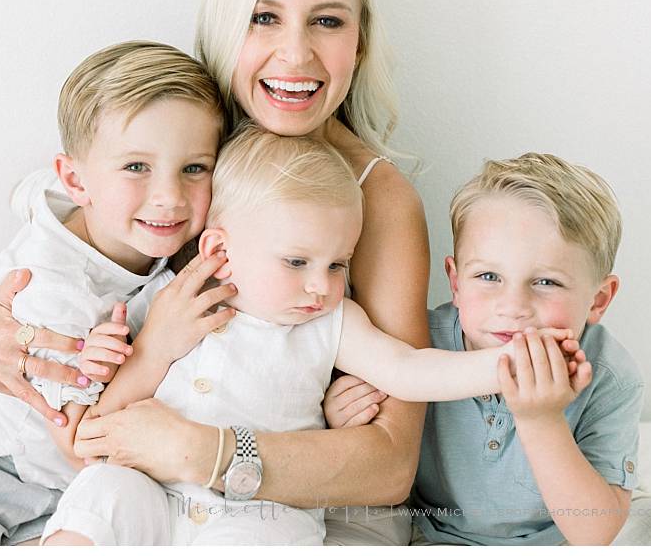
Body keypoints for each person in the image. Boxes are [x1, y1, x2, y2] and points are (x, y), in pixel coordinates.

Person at [0, 0, 432, 546]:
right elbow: (57, 228)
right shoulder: (185, 149)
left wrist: (200, 451)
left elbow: (389, 466)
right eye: (263, 17)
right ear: (227, 27)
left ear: (359, 43)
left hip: (287, 506)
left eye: (327, 21)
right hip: (148, 483)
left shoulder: (379, 199)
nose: (295, 54)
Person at [41, 126, 584, 546]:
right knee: (100, 495)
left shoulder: (332, 322)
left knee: (265, 538)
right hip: (154, 492)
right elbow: (99, 417)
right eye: (297, 261)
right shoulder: (173, 304)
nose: (319, 286)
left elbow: (408, 369)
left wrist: (507, 364)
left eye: (337, 264)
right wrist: (113, 351)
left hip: (260, 506)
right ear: (219, 252)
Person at [0, 41, 228, 545]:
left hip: (72, 488)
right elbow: (78, 445)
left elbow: (32, 190)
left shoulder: (106, 212)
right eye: (136, 167)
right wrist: (157, 344)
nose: (169, 197)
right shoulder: (52, 291)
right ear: (77, 180)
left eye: (194, 168)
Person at [325, 153, 651, 546]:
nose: (513, 306)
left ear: (598, 300)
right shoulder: (420, 348)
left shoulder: (609, 374)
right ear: (456, 284)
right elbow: (379, 459)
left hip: (564, 535)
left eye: (546, 282)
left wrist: (541, 418)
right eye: (488, 276)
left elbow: (595, 531)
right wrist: (342, 417)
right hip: (437, 532)